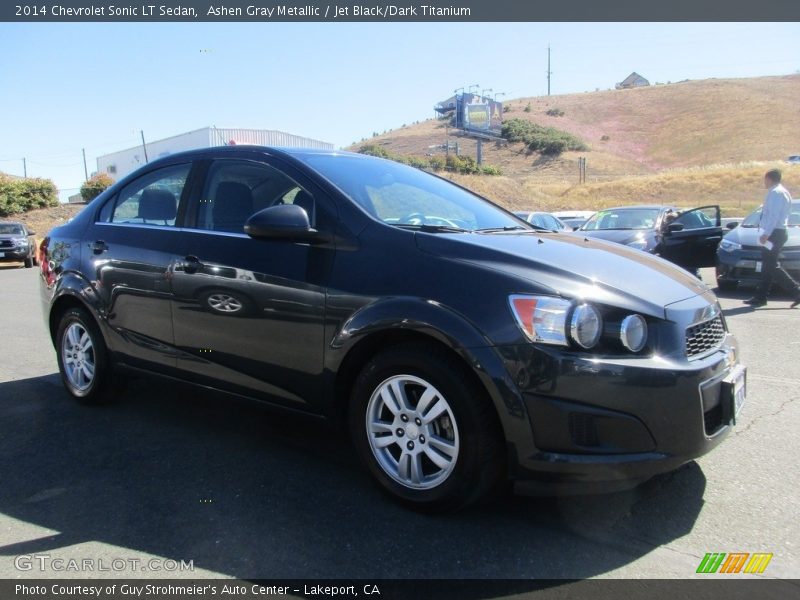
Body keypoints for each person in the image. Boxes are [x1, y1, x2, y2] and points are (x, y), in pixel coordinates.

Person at [744, 169, 800, 308]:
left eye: (765, 179)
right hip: (777, 232)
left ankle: (797, 291)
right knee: (768, 266)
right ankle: (761, 297)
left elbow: (774, 216)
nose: (764, 182)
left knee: (771, 265)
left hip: (775, 232)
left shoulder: (776, 193)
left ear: (769, 179)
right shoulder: (782, 191)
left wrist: (766, 234)